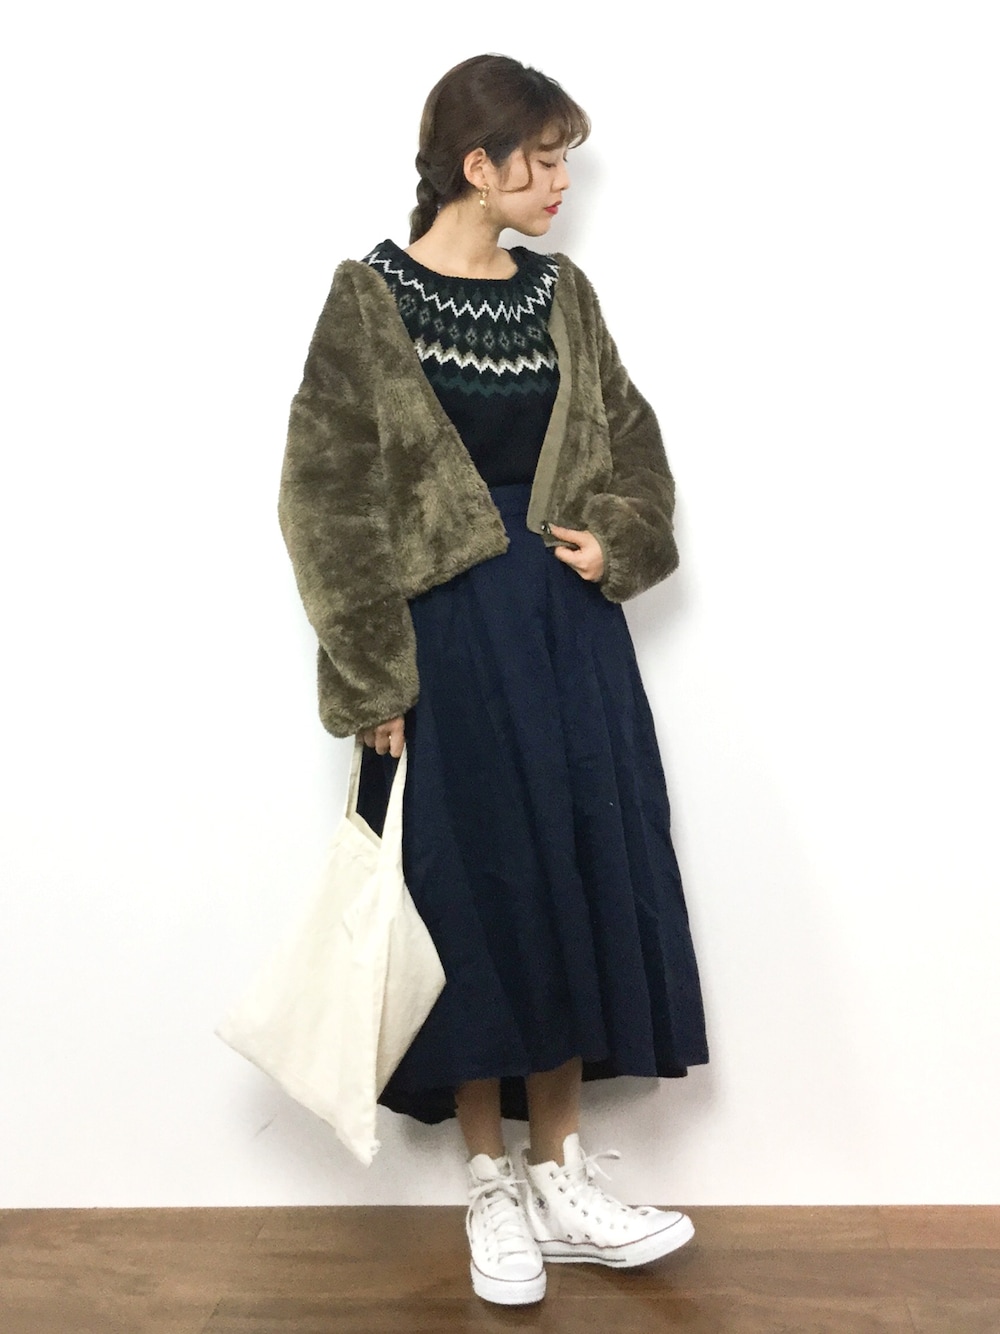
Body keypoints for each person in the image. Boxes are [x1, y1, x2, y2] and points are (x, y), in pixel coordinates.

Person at [278, 53, 709, 1307]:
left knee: (575, 867)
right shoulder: (369, 298)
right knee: (470, 889)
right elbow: (324, 499)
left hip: (566, 634)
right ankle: (488, 1181)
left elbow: (634, 441)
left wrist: (619, 537)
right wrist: (371, 673)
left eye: (567, 159)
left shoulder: (562, 293)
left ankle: (562, 1171)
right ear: (479, 164)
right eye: (547, 158)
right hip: (442, 642)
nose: (564, 182)